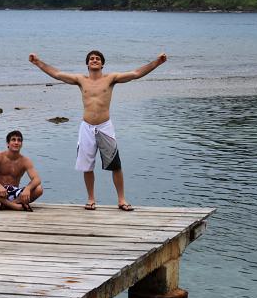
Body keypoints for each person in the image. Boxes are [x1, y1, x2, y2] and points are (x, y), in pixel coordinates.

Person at [29, 50, 167, 211]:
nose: (94, 60)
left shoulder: (111, 78)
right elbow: (57, 74)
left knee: (115, 165)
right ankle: (91, 199)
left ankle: (121, 199)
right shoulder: (81, 80)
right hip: (86, 127)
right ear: (87, 64)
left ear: (102, 64)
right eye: (91, 59)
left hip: (105, 126)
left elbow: (136, 74)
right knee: (87, 166)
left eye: (98, 59)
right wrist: (37, 62)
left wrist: (157, 62)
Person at [0, 130, 43, 211]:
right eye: (13, 140)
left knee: (39, 189)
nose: (16, 142)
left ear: (21, 144)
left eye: (19, 140)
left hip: (14, 194)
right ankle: (14, 206)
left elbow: (37, 179)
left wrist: (28, 189)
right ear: (8, 143)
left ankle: (7, 204)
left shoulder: (25, 161)